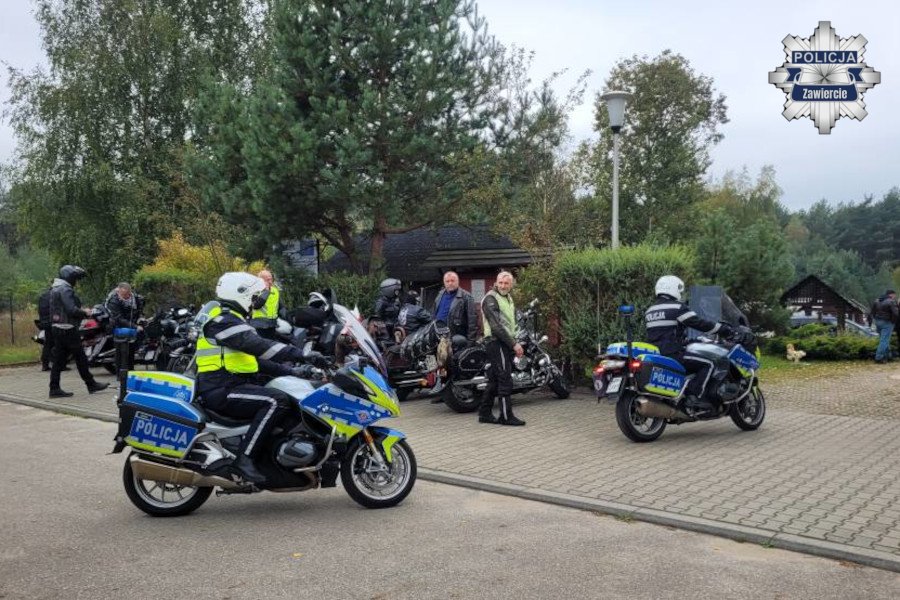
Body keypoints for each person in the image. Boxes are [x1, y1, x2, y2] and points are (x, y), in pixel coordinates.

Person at [195, 272, 322, 485]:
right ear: (240, 294)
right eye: (254, 296)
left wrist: (295, 372)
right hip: (221, 388)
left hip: (231, 384)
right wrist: (302, 354)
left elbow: (256, 362)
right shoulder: (222, 321)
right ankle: (244, 460)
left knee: (286, 396)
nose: (256, 302)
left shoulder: (231, 319)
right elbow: (261, 347)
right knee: (276, 401)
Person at [644, 275, 734, 413]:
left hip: (657, 354)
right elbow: (699, 323)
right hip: (674, 354)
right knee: (710, 363)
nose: (680, 294)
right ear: (672, 288)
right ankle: (694, 397)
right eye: (679, 290)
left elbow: (663, 334)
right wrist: (722, 329)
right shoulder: (677, 307)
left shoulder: (650, 310)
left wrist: (687, 341)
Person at [48, 265, 110, 398]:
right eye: (75, 278)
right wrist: (86, 312)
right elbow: (71, 310)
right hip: (68, 328)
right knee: (81, 358)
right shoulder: (65, 289)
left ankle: (54, 388)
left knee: (59, 360)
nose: (76, 281)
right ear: (69, 277)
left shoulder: (55, 288)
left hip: (57, 327)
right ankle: (91, 384)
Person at [478, 271, 525, 426]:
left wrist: (513, 339)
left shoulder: (508, 298)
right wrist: (514, 344)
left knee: (494, 379)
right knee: (505, 378)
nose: (503, 286)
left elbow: (509, 322)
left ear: (511, 285)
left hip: (504, 342)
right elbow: (496, 326)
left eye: (506, 283)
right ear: (496, 282)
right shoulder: (490, 299)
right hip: (496, 342)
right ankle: (506, 416)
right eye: (501, 283)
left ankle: (484, 413)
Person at [432, 271, 478, 343]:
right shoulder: (439, 295)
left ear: (458, 281)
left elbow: (472, 322)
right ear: (444, 282)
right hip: (438, 336)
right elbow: (433, 314)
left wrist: (471, 342)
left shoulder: (466, 297)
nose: (450, 283)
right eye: (447, 281)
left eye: (452, 281)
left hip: (456, 338)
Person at [250, 269, 283, 339]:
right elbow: (256, 305)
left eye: (271, 279)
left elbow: (280, 307)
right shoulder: (255, 291)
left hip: (272, 325)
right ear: (261, 280)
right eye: (267, 280)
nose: (270, 282)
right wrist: (266, 291)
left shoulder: (275, 290)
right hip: (260, 325)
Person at [870, 289, 898, 363]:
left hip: (878, 322)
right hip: (887, 322)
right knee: (884, 340)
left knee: (884, 340)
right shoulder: (891, 301)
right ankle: (879, 357)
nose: (895, 297)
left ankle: (888, 356)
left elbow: (872, 312)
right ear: (891, 294)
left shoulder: (877, 301)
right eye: (894, 295)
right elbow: (896, 313)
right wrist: (893, 322)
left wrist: (875, 320)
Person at [37, 283, 56, 371]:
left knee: (48, 344)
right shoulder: (55, 295)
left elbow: (39, 310)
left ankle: (45, 364)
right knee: (59, 343)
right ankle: (60, 364)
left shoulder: (43, 296)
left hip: (45, 322)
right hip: (54, 322)